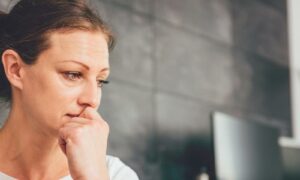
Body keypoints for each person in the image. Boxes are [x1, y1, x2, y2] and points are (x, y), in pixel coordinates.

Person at [0, 0, 139, 179]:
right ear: (15, 69)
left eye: (100, 81)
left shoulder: (114, 174)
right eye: (73, 74)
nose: (92, 99)